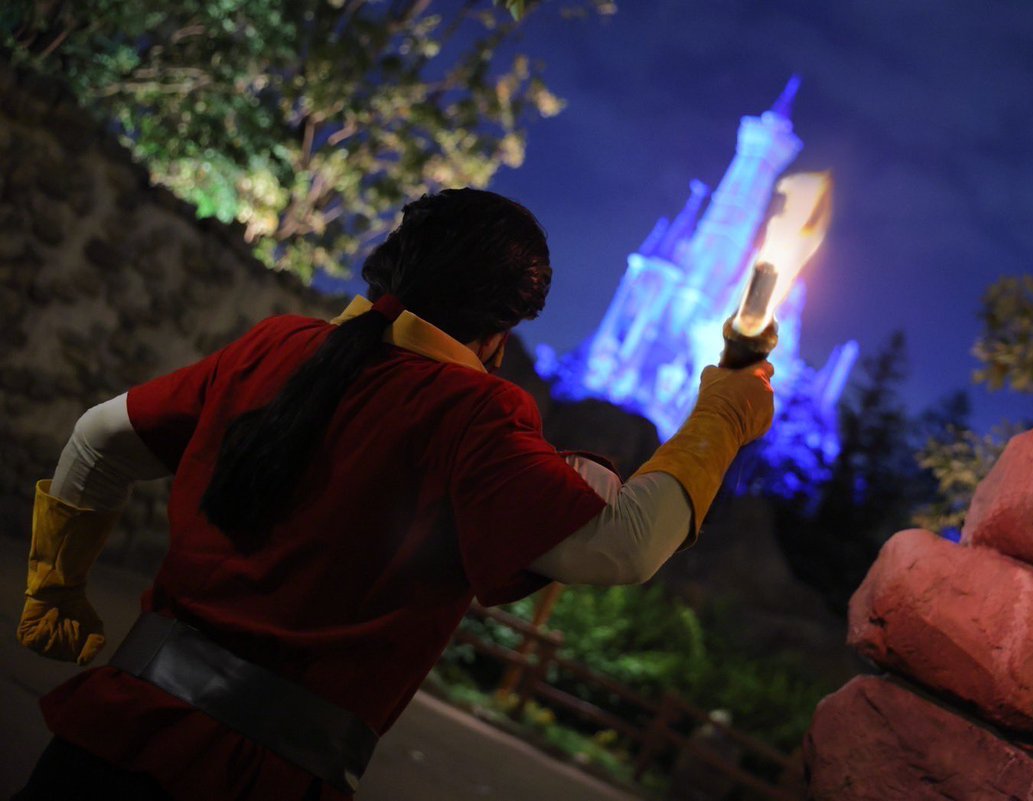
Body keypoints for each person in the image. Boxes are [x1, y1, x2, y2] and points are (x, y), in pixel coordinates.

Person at [13, 188, 775, 801]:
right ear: (500, 330)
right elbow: (624, 543)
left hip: (110, 731)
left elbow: (98, 436)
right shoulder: (474, 414)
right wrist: (723, 413)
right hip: (259, 779)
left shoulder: (278, 344)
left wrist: (56, 584)